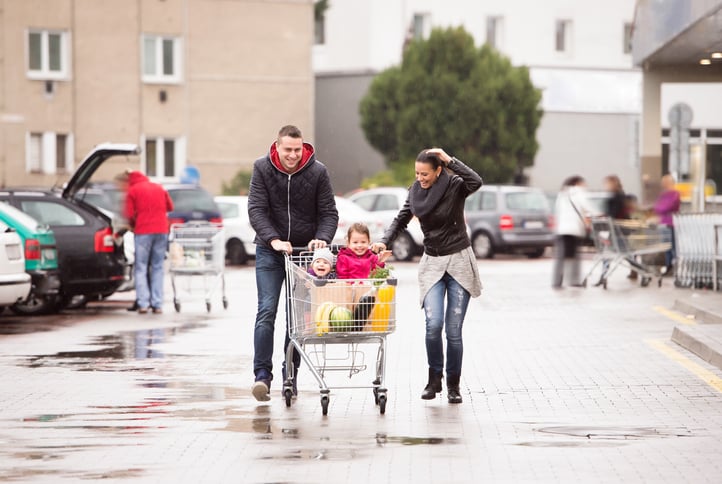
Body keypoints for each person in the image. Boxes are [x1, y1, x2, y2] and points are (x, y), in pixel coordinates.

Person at [371, 148, 482, 404]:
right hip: (432, 262)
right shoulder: (416, 191)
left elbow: (476, 181)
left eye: (425, 174)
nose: (420, 178)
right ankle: (434, 379)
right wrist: (384, 241)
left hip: (459, 262)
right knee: (433, 326)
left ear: (438, 170)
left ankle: (454, 385)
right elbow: (401, 219)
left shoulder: (455, 185)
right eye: (417, 173)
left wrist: (450, 159)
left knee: (453, 330)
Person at [248, 125, 338, 402]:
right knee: (266, 311)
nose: (293, 155)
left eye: (297, 150)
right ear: (277, 147)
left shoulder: (317, 172)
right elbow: (256, 209)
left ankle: (291, 375)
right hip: (270, 252)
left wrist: (321, 239)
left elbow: (329, 213)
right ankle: (262, 376)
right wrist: (273, 239)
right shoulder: (262, 168)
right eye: (288, 150)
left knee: (296, 320)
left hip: (302, 255)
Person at [124, 171, 174, 314]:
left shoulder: (133, 190)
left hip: (143, 231)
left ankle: (143, 303)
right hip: (161, 230)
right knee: (158, 267)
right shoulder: (159, 188)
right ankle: (157, 304)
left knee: (141, 267)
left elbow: (129, 214)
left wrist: (134, 223)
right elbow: (170, 207)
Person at [552, 175, 594, 289]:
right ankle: (574, 280)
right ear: (577, 183)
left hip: (561, 229)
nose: (585, 185)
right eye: (583, 183)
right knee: (574, 256)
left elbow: (557, 210)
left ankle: (557, 281)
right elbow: (588, 207)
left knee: (561, 257)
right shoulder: (579, 192)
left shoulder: (562, 193)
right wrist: (597, 214)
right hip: (574, 229)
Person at [653, 174, 681, 273]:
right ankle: (669, 265)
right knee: (666, 246)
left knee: (673, 246)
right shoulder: (663, 195)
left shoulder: (675, 194)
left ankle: (675, 265)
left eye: (665, 182)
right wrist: (661, 208)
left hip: (672, 224)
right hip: (663, 224)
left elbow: (666, 207)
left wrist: (662, 208)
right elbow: (656, 207)